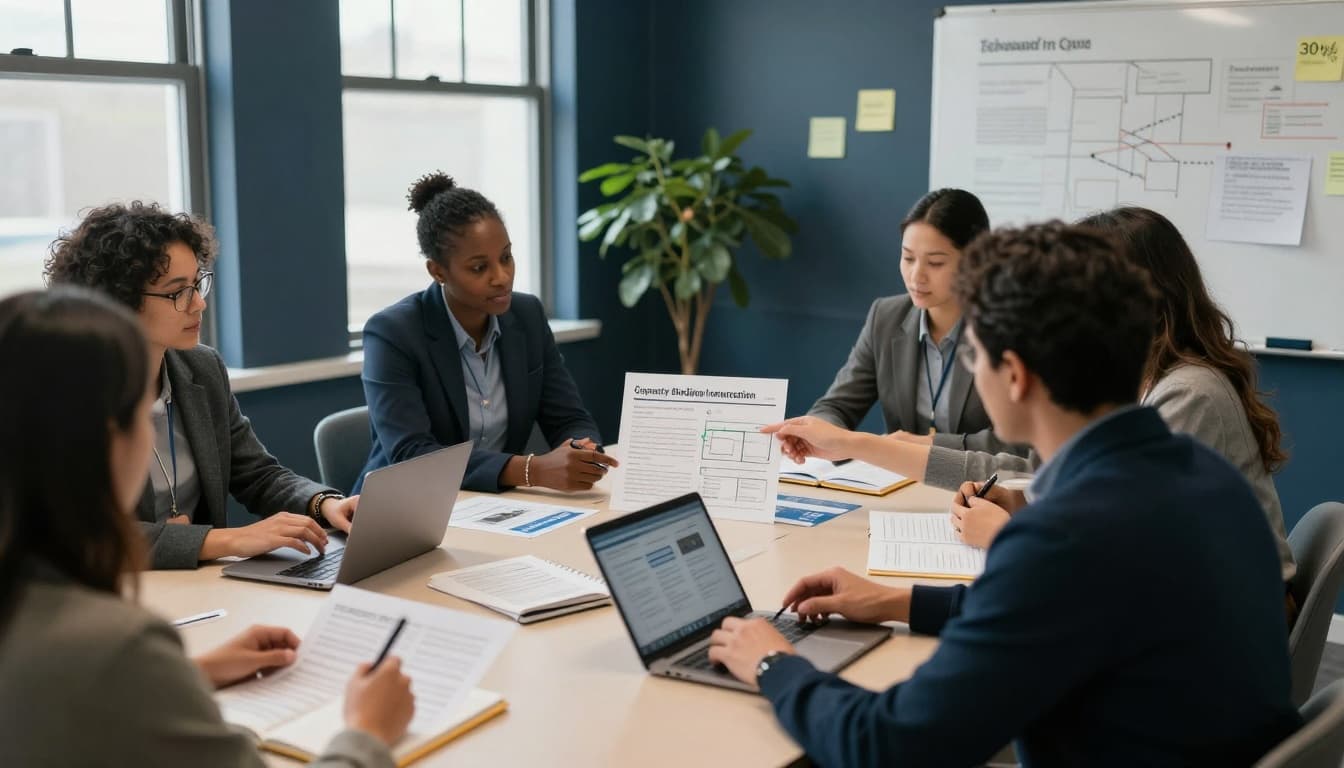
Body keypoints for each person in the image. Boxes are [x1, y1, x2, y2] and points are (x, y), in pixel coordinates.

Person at [713, 222, 1300, 766]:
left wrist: (773, 663)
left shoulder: (1063, 539)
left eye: (974, 354)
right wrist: (896, 601)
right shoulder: (1203, 472)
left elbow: (887, 744)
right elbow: (1065, 604)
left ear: (1014, 375)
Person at [0, 288, 414, 767]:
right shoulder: (115, 643)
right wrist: (367, 731)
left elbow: (63, 697)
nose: (197, 302)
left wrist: (186, 674)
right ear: (109, 439)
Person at [940, 208, 1293, 584]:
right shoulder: (1140, 382)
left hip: (1228, 614)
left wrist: (1005, 537)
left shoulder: (1188, 394)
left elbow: (1131, 555)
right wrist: (1021, 506)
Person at [44, 202, 357, 570]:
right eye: (177, 292)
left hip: (198, 588)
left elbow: (258, 475)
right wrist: (221, 539)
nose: (199, 303)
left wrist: (325, 504)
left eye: (198, 284)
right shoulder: (67, 393)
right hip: (110, 589)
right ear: (118, 301)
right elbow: (80, 534)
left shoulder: (201, 367)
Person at [358, 172, 616, 494]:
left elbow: (567, 416)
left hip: (493, 507)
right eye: (480, 268)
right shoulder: (393, 334)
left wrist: (580, 451)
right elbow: (412, 455)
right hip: (405, 511)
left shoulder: (527, 316)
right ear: (438, 271)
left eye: (506, 257)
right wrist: (529, 470)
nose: (502, 277)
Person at [807, 188, 1023, 457]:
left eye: (935, 263)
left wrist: (927, 446)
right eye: (908, 258)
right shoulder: (886, 317)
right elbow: (836, 406)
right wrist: (818, 431)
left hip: (979, 488)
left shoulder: (1008, 324)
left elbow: (1020, 441)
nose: (916, 276)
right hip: (900, 488)